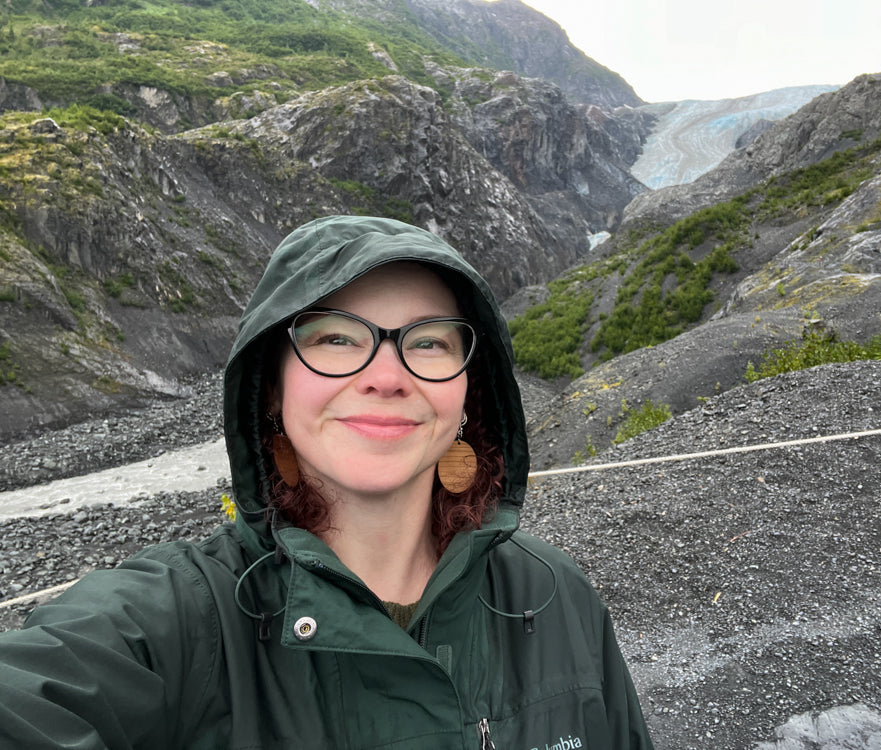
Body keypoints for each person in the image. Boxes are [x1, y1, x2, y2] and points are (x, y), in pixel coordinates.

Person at [0, 215, 653, 749]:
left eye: (429, 343)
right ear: (272, 385)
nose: (387, 375)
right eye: (337, 338)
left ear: (468, 395)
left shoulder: (555, 595)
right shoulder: (174, 621)